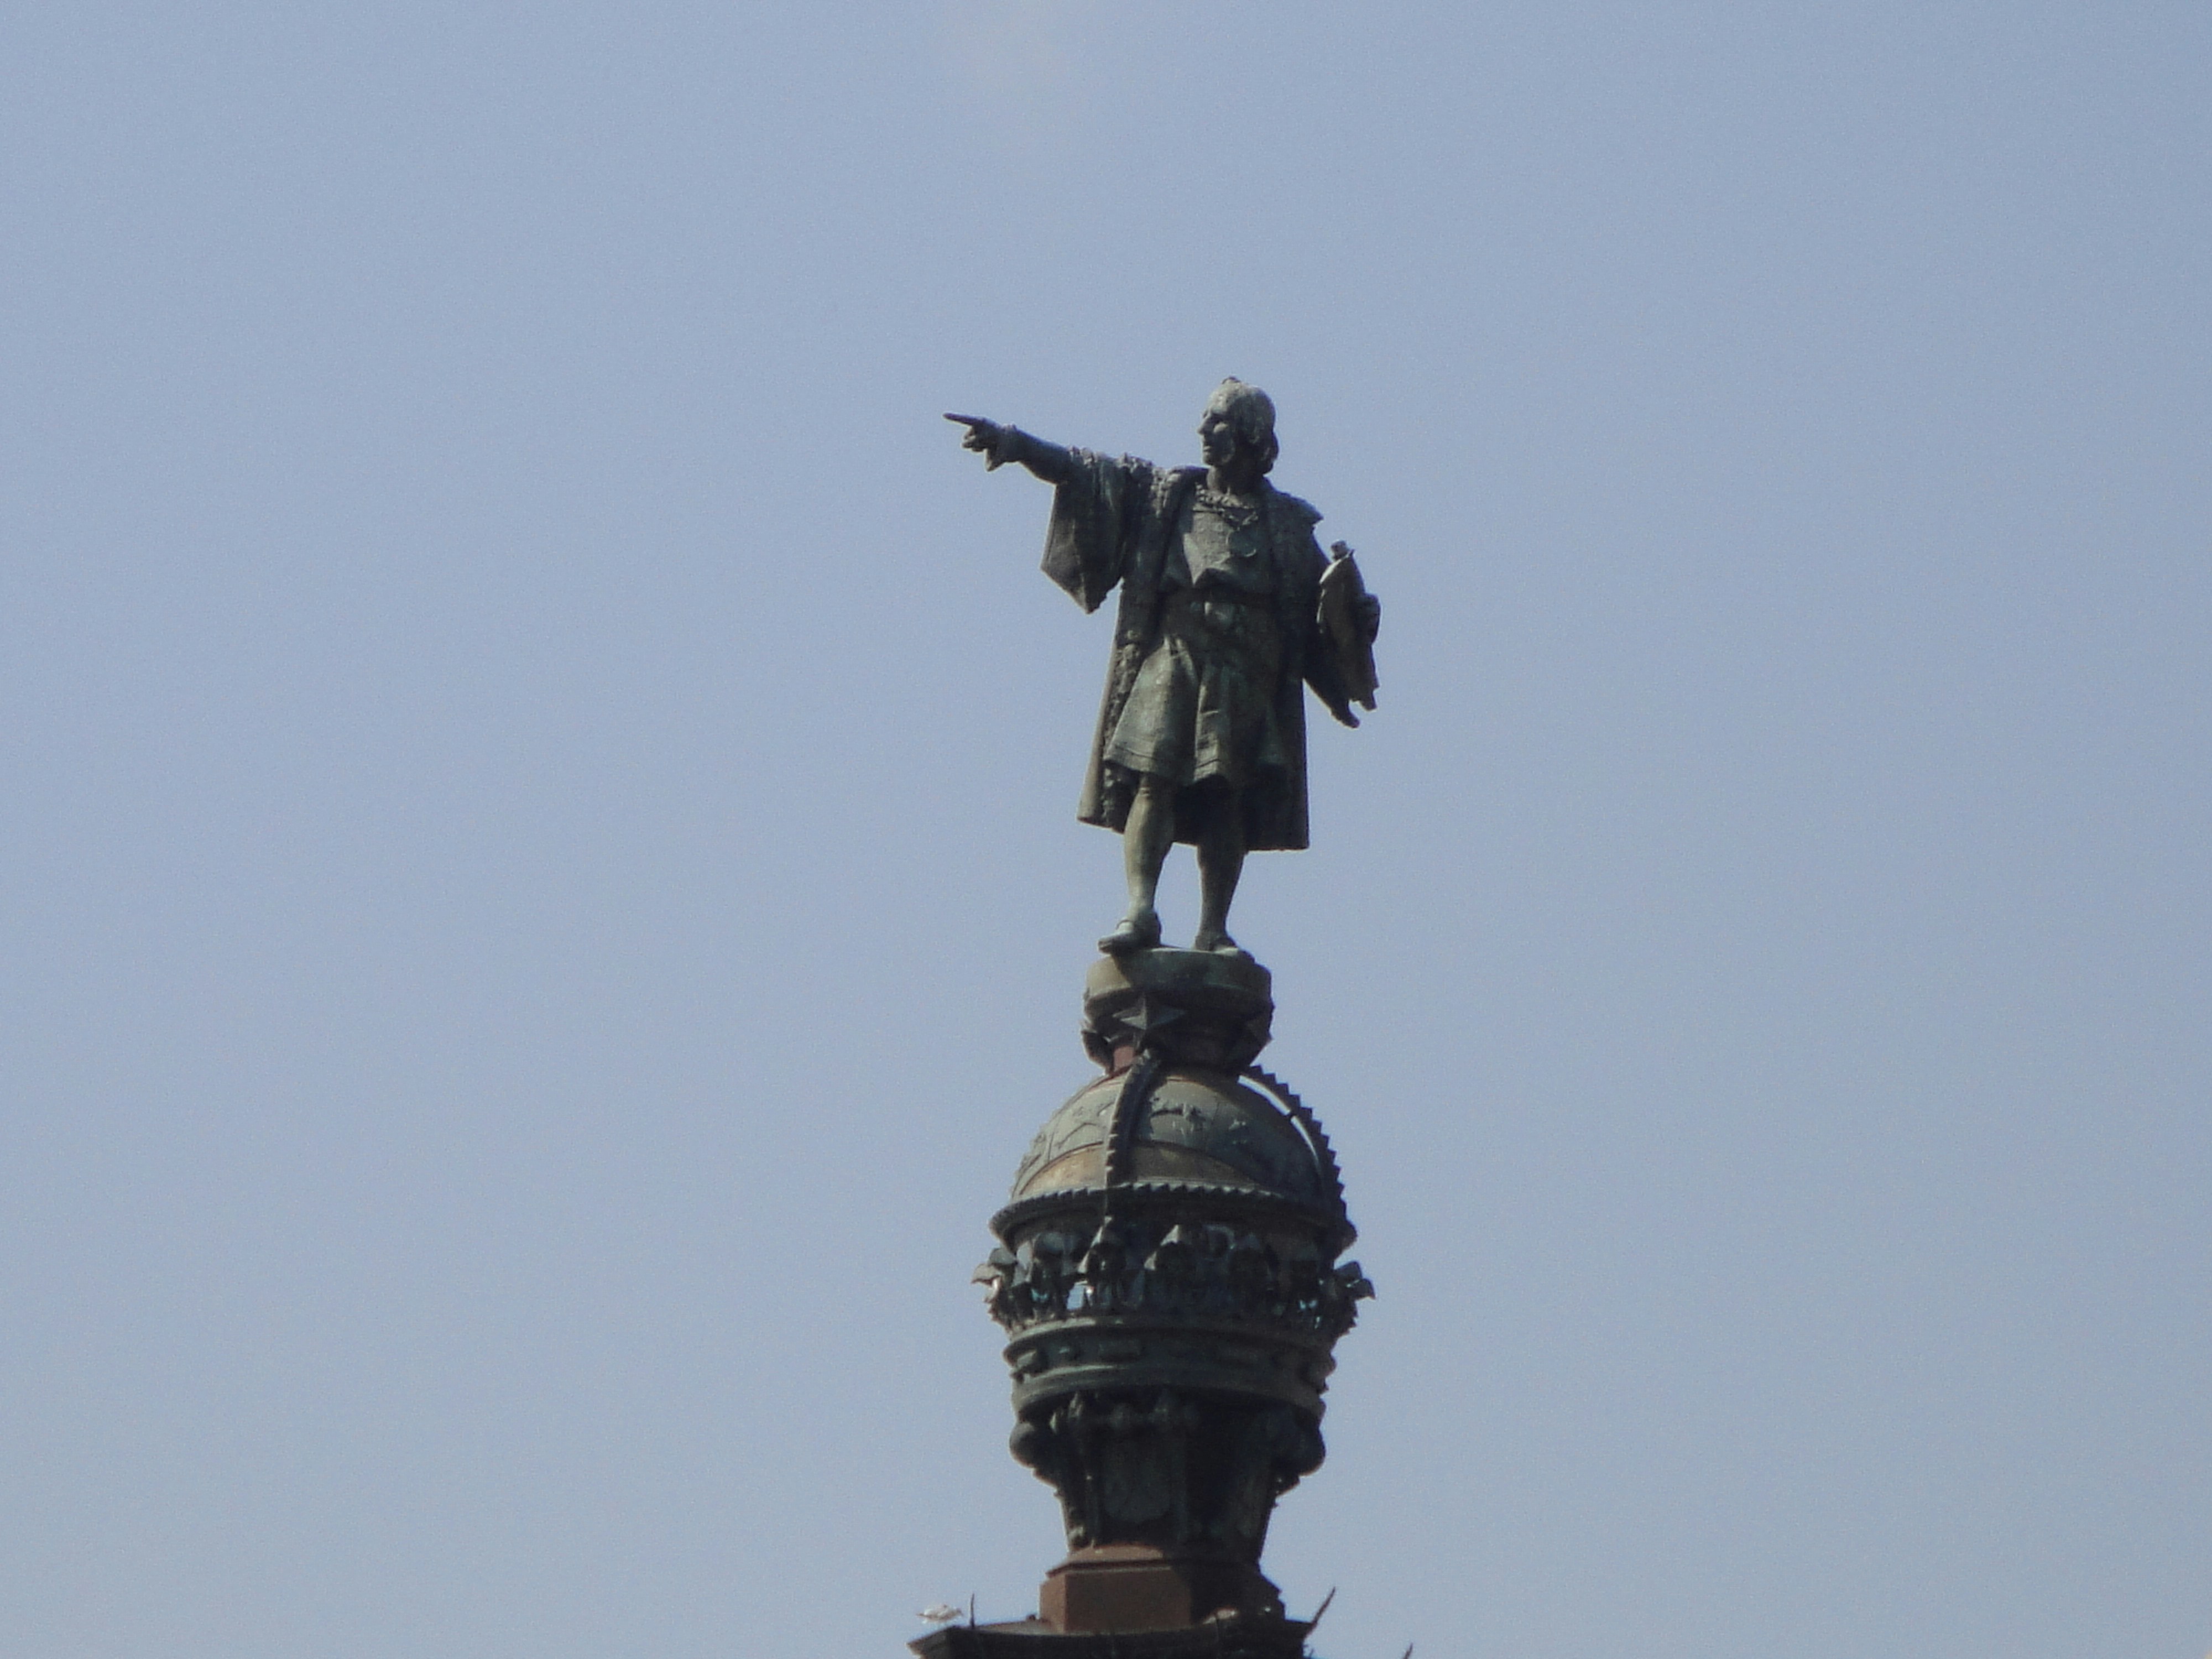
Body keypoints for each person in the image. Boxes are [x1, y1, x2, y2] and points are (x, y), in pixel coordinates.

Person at [950, 380, 1381, 958]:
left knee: (1225, 796)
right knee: (1152, 781)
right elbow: (1086, 472)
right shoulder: (1166, 496)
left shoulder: (1285, 523)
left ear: (1251, 436)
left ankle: (1213, 928)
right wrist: (1016, 443)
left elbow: (1320, 616)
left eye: (1218, 421)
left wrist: (1359, 621)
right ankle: (1140, 909)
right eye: (1205, 419)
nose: (1203, 430)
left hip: (1245, 671)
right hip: (1176, 654)